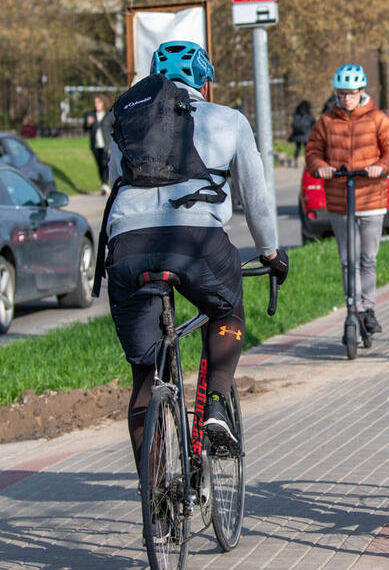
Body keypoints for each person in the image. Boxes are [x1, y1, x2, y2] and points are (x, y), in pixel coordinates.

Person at [100, 40, 288, 467]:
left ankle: (157, 500)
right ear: (205, 80)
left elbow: (117, 180)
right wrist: (270, 253)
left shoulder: (128, 116)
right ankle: (217, 403)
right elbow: (255, 196)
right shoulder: (228, 119)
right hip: (197, 243)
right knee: (226, 312)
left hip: (127, 247)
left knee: (145, 376)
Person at [305, 65, 389, 336]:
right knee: (348, 259)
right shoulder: (326, 121)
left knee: (367, 258)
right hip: (339, 201)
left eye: (351, 93)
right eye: (342, 93)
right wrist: (321, 166)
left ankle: (368, 308)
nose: (347, 98)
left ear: (362, 92)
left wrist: (381, 166)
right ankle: (352, 307)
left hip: (371, 198)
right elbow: (312, 151)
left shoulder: (377, 119)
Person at [83, 95, 113, 195]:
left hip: (106, 145)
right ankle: (104, 184)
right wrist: (88, 124)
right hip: (95, 145)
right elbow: (85, 128)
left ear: (103, 103)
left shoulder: (109, 115)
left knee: (106, 164)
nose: (96, 105)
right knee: (100, 165)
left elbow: (113, 128)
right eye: (95, 102)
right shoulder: (90, 115)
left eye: (98, 102)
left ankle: (105, 184)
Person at [288, 100, 315, 165]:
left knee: (298, 148)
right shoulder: (309, 114)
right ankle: (307, 162)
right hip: (306, 135)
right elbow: (313, 123)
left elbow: (292, 124)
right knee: (306, 148)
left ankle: (295, 160)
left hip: (297, 135)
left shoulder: (296, 113)